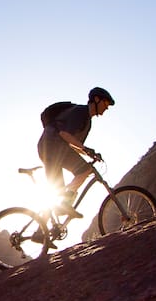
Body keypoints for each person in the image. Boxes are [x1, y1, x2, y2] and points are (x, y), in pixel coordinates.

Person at [37, 86, 115, 218]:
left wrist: (90, 153)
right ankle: (65, 205)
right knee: (81, 172)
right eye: (105, 103)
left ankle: (40, 231)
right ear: (96, 100)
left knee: (58, 191)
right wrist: (85, 149)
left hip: (56, 150)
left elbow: (74, 144)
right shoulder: (80, 112)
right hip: (51, 147)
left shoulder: (87, 122)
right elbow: (64, 133)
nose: (106, 107)